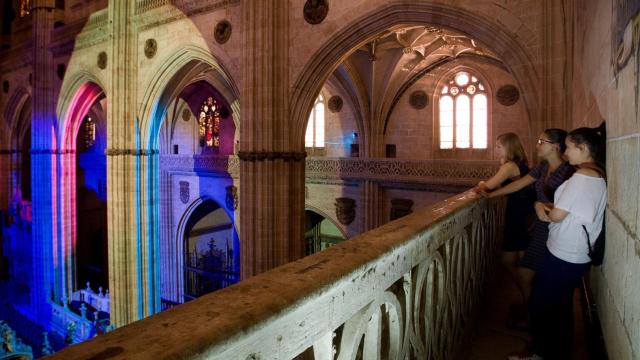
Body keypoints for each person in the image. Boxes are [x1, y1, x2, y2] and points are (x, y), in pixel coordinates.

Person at [515, 123, 607, 360]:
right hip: (571, 254)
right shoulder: (595, 172)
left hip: (565, 255)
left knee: (540, 305)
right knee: (561, 307)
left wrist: (538, 205)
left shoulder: (582, 177)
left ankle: (541, 353)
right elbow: (569, 209)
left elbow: (555, 215)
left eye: (568, 148)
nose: (565, 154)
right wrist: (550, 207)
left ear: (583, 148)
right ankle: (557, 352)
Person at [485, 129, 575, 315]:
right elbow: (520, 183)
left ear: (556, 147)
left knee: (537, 275)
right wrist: (492, 194)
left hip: (557, 229)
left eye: (542, 142)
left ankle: (538, 314)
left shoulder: (568, 172)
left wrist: (540, 205)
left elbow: (567, 205)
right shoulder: (542, 167)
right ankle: (534, 311)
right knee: (527, 273)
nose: (537, 145)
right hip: (541, 227)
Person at [475, 133, 535, 303]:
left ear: (508, 147)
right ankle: (529, 299)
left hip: (518, 215)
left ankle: (530, 299)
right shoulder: (520, 163)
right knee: (516, 260)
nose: (496, 149)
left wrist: (480, 183)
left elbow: (486, 186)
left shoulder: (509, 166)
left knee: (512, 261)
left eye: (499, 146)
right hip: (523, 212)